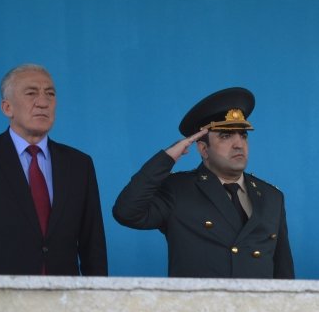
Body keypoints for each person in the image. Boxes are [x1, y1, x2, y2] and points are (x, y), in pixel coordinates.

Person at [0, 64, 108, 275]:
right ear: (7, 108)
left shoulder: (79, 164)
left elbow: (93, 244)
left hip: (64, 292)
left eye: (50, 94)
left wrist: (98, 293)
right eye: (31, 93)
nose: (43, 102)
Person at [113, 87, 293, 279]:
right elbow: (127, 212)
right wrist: (167, 157)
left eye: (243, 135)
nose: (239, 144)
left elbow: (283, 273)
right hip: (199, 299)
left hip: (256, 300)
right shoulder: (178, 190)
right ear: (203, 149)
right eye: (225, 136)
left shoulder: (272, 197)